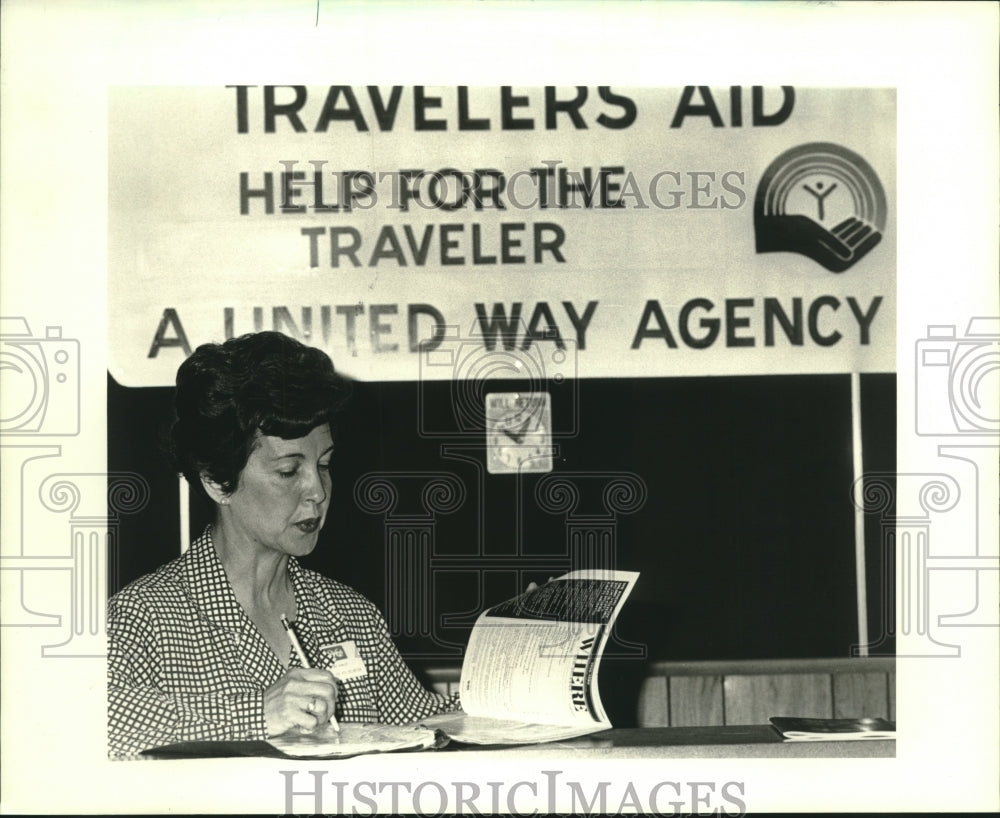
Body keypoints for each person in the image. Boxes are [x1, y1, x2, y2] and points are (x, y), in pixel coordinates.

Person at [107, 331, 459, 758]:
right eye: (290, 471)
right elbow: (90, 720)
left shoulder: (350, 614)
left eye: (324, 464)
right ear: (218, 482)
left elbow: (424, 723)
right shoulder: (141, 618)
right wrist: (258, 714)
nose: (318, 491)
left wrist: (533, 669)